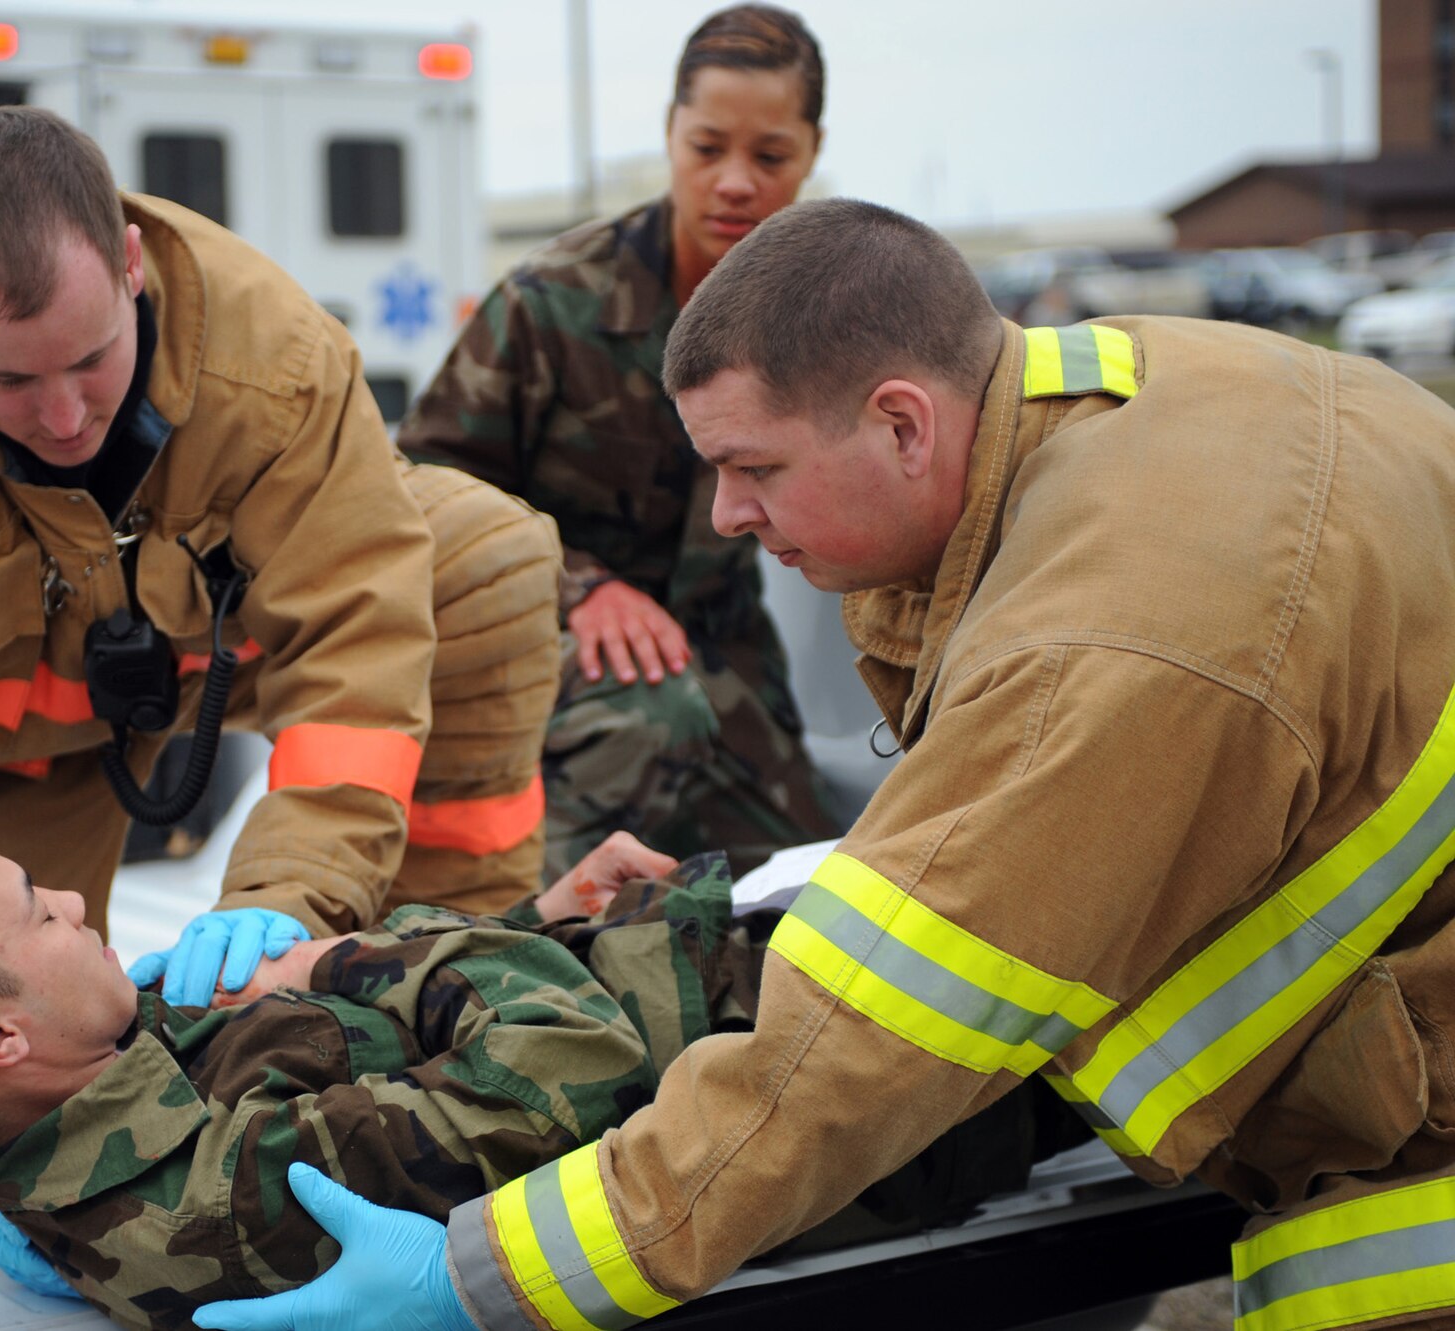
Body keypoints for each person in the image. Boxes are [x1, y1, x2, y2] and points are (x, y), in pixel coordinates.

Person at [191, 199, 1455, 1331]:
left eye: (755, 468)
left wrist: (481, 1277)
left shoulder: (1107, 641)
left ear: (901, 421)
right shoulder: (1161, 386)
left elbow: (848, 1058)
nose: (730, 516)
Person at [0, 106, 564, 1158]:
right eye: (10, 379)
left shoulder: (276, 364)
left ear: (130, 265)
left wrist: (289, 895)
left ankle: (427, 969)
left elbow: (358, 650)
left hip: (191, 671)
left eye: (90, 358)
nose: (66, 415)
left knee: (480, 555)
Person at [0, 821, 1077, 1330]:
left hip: (774, 944)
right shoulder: (218, 1199)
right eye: (34, 909)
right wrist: (332, 959)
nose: (70, 891)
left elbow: (407, 1035)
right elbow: (576, 1062)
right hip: (886, 1063)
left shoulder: (88, 1078)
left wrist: (530, 912)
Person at [400, 4, 839, 879]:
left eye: (771, 156)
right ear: (671, 132)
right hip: (548, 648)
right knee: (642, 739)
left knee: (808, 887)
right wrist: (580, 585)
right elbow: (419, 482)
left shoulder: (828, 318)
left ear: (813, 151)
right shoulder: (552, 302)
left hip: (721, 654)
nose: (736, 183)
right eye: (708, 147)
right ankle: (531, 954)